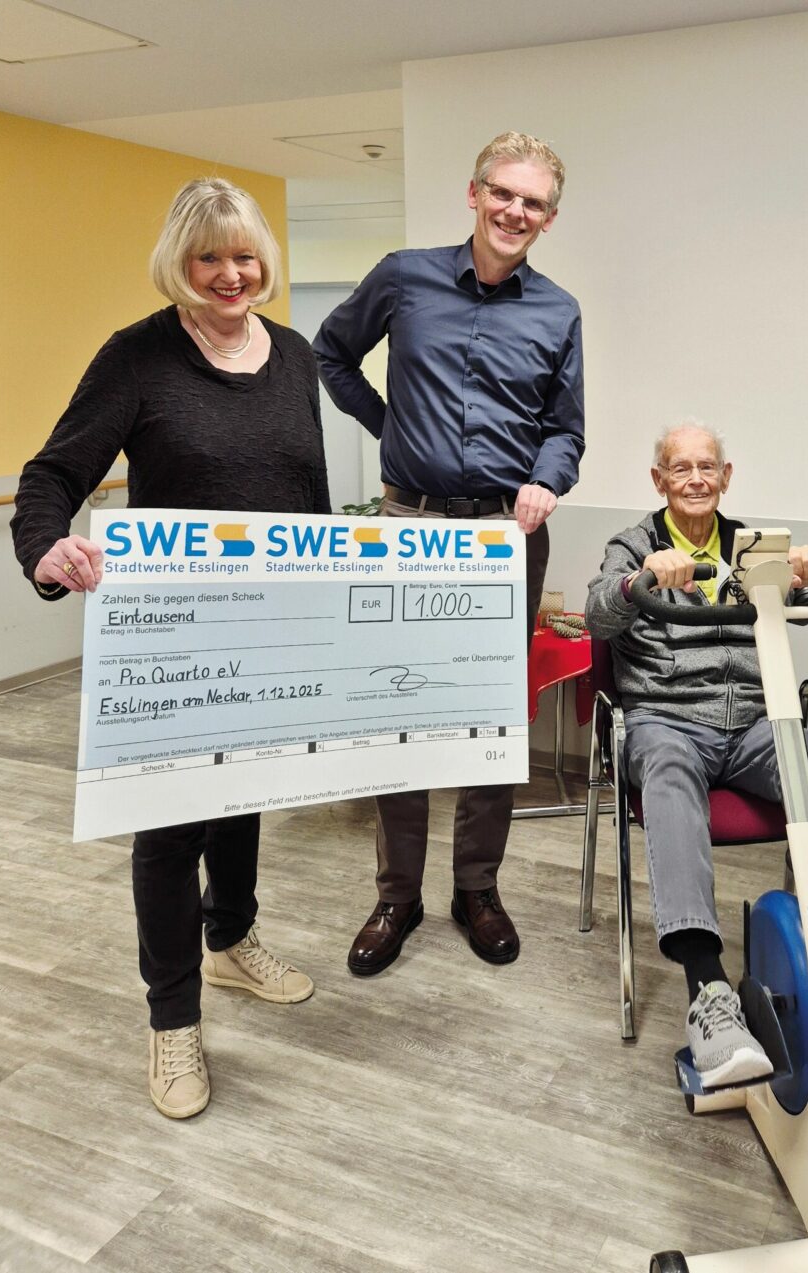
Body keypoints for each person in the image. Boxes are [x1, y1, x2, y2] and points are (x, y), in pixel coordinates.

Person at [11, 177, 329, 1119]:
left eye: (245, 255)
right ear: (179, 263)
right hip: (171, 639)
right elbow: (51, 474)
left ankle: (231, 940)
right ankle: (174, 1018)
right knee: (170, 825)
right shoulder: (138, 357)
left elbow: (306, 497)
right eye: (208, 257)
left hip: (270, 629)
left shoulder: (296, 356)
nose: (231, 274)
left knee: (243, 796)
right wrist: (45, 549)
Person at [313, 132, 584, 974]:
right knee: (397, 706)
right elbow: (331, 352)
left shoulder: (559, 311)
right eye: (503, 193)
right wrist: (390, 426)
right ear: (474, 194)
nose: (515, 211)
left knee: (491, 712)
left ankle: (477, 888)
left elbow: (566, 430)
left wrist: (545, 479)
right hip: (410, 525)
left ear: (549, 218)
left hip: (506, 535)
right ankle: (397, 894)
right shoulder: (405, 277)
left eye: (533, 202)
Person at [586, 422, 808, 1088]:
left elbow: (796, 600)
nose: (696, 479)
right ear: (659, 479)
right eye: (680, 468)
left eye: (707, 466)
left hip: (749, 727)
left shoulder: (752, 547)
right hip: (666, 720)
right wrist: (637, 582)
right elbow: (599, 614)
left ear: (726, 475)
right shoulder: (632, 544)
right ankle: (709, 991)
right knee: (668, 767)